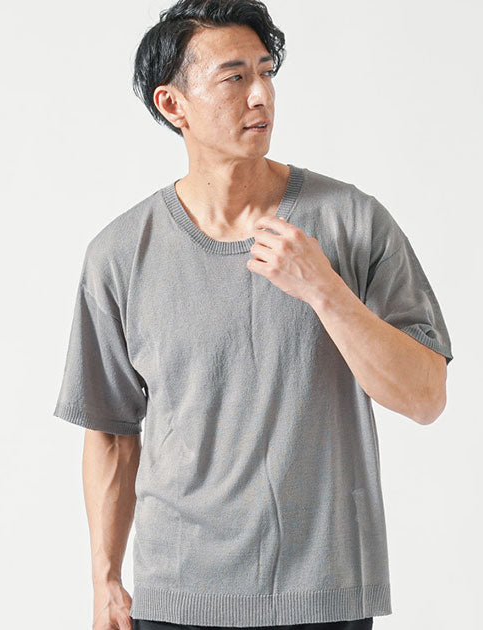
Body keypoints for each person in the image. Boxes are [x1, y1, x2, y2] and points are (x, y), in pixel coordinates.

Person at [52, 1, 454, 629]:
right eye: (234, 77)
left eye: (266, 72)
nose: (261, 94)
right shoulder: (120, 253)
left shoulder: (353, 221)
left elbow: (426, 397)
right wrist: (105, 580)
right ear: (173, 104)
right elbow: (109, 429)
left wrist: (325, 290)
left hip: (325, 596)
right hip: (177, 599)